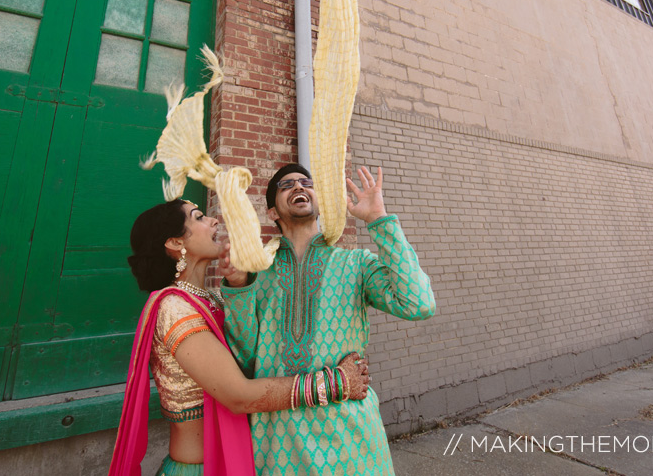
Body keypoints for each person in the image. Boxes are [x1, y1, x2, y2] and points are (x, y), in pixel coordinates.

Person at [109, 198, 371, 476]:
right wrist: (336, 383)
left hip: (236, 461)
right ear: (174, 243)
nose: (213, 220)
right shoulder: (173, 308)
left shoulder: (215, 298)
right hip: (200, 469)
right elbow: (238, 395)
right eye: (198, 217)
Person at [218, 164, 436, 475]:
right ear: (272, 213)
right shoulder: (255, 273)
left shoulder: (356, 264)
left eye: (307, 182)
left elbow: (419, 303)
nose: (299, 186)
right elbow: (246, 358)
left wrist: (379, 221)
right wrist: (239, 287)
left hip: (352, 445)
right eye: (286, 185)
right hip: (278, 447)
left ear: (319, 202)